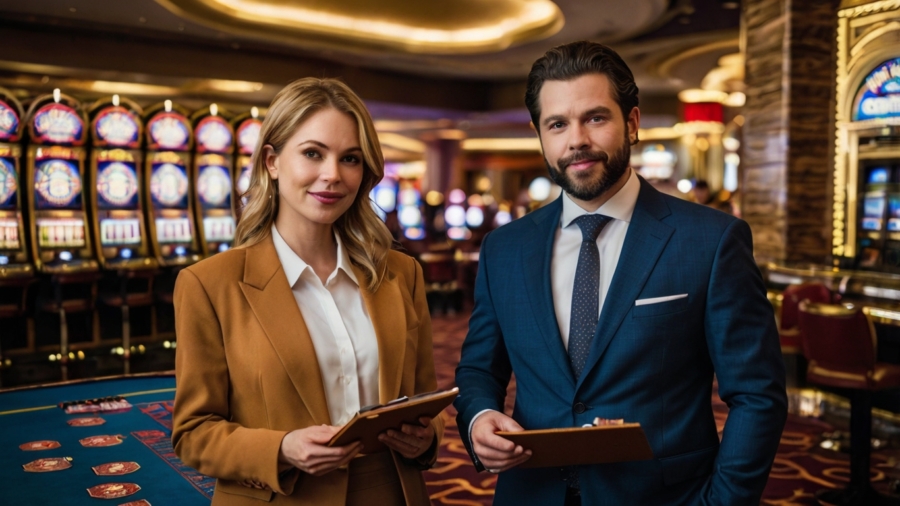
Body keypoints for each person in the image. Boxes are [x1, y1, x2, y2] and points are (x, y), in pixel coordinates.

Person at [454, 41, 787, 506]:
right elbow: (477, 369)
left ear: (631, 123)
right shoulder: (503, 249)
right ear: (540, 134)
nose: (576, 141)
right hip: (529, 493)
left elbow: (758, 395)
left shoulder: (710, 241)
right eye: (557, 124)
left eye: (595, 118)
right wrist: (479, 415)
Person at [172, 77, 443, 506]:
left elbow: (426, 400)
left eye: (350, 158)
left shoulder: (401, 274)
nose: (332, 175)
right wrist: (281, 448)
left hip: (389, 491)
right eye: (313, 153)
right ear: (273, 161)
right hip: (283, 494)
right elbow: (193, 433)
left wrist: (426, 439)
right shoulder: (209, 284)